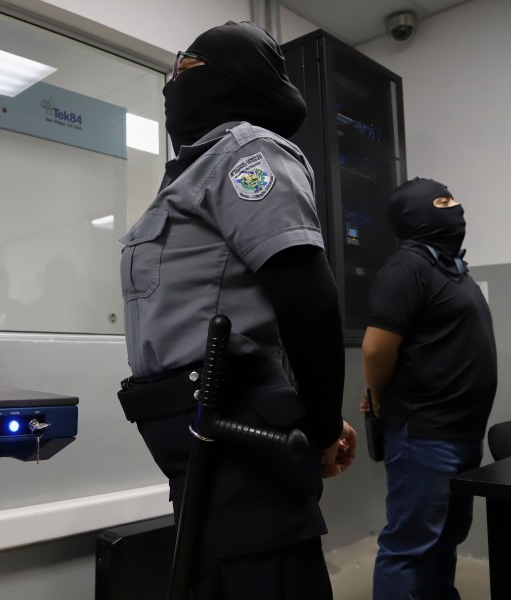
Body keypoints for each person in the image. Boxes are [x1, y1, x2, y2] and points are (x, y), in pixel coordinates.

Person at [116, 21, 356, 599]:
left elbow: (309, 299)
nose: (174, 83)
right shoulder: (191, 173)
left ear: (231, 80)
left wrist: (322, 426)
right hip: (197, 431)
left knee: (262, 578)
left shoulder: (247, 153)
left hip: (237, 416)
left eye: (188, 69)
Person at [361, 177, 497, 600]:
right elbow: (375, 349)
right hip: (423, 435)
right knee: (411, 545)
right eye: (443, 200)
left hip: (460, 433)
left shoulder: (451, 268)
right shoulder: (408, 266)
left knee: (445, 539)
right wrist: (379, 398)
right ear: (416, 214)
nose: (456, 207)